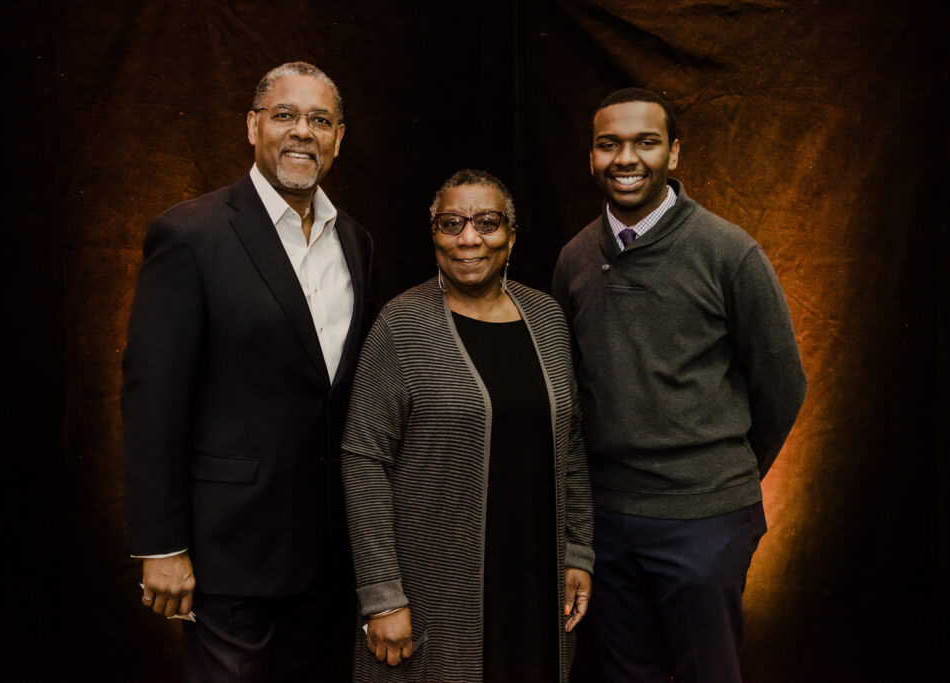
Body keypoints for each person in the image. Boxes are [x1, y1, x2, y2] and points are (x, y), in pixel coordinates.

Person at [120, 61, 372, 681]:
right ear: (253, 126)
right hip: (227, 552)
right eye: (285, 115)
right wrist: (161, 545)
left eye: (319, 120)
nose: (301, 132)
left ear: (339, 138)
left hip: (329, 553)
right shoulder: (191, 234)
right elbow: (153, 397)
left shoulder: (357, 243)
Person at [552, 88, 807, 683]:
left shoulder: (727, 252)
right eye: (608, 144)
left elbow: (782, 385)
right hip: (607, 523)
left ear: (674, 154)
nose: (625, 158)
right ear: (591, 156)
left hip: (704, 520)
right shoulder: (574, 259)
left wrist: (721, 477)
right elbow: (572, 385)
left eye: (645, 142)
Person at [341, 169, 594, 682]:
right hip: (434, 585)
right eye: (451, 223)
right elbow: (363, 461)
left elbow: (570, 443)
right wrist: (382, 594)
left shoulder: (546, 318)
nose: (469, 238)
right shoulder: (401, 324)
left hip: (534, 576)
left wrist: (578, 550)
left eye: (487, 222)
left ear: (512, 236)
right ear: (433, 234)